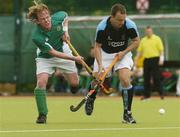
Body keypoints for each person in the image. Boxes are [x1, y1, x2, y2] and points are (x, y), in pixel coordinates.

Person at [27, 0, 83, 124]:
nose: (47, 20)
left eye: (47, 17)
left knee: (75, 84)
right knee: (41, 83)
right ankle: (42, 115)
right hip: (45, 58)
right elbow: (52, 53)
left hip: (63, 49)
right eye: (43, 19)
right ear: (37, 21)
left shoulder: (57, 19)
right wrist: (75, 58)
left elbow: (65, 15)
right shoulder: (37, 36)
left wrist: (66, 32)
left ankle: (73, 87)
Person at [85, 3, 140, 124]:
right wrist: (100, 66)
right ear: (112, 17)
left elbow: (136, 41)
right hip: (104, 54)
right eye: (119, 20)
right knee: (97, 79)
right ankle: (91, 98)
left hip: (123, 53)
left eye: (123, 19)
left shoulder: (129, 25)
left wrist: (124, 52)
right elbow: (97, 47)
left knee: (125, 79)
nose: (122, 22)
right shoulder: (102, 27)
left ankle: (127, 114)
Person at [135, 26, 164, 100]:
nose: (148, 32)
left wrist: (161, 59)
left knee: (156, 77)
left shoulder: (157, 38)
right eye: (147, 31)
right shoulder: (143, 40)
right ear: (145, 32)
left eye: (150, 31)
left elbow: (161, 50)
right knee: (146, 78)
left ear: (152, 31)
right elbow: (139, 51)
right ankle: (146, 95)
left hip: (155, 59)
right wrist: (136, 60)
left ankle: (161, 93)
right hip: (146, 60)